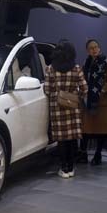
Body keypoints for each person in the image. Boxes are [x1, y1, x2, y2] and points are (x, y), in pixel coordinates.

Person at [44, 40, 88, 178]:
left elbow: (47, 89)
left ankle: (63, 168)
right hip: (72, 107)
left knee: (61, 139)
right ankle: (71, 167)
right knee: (72, 138)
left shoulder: (50, 68)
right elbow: (84, 89)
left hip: (57, 108)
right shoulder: (76, 68)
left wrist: (58, 95)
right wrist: (74, 96)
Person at [80, 39, 107, 165]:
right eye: (91, 48)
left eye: (96, 47)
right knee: (86, 130)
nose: (94, 49)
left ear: (99, 48)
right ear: (87, 51)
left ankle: (98, 155)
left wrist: (101, 90)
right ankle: (83, 154)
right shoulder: (86, 62)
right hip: (88, 102)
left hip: (101, 102)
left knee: (101, 131)